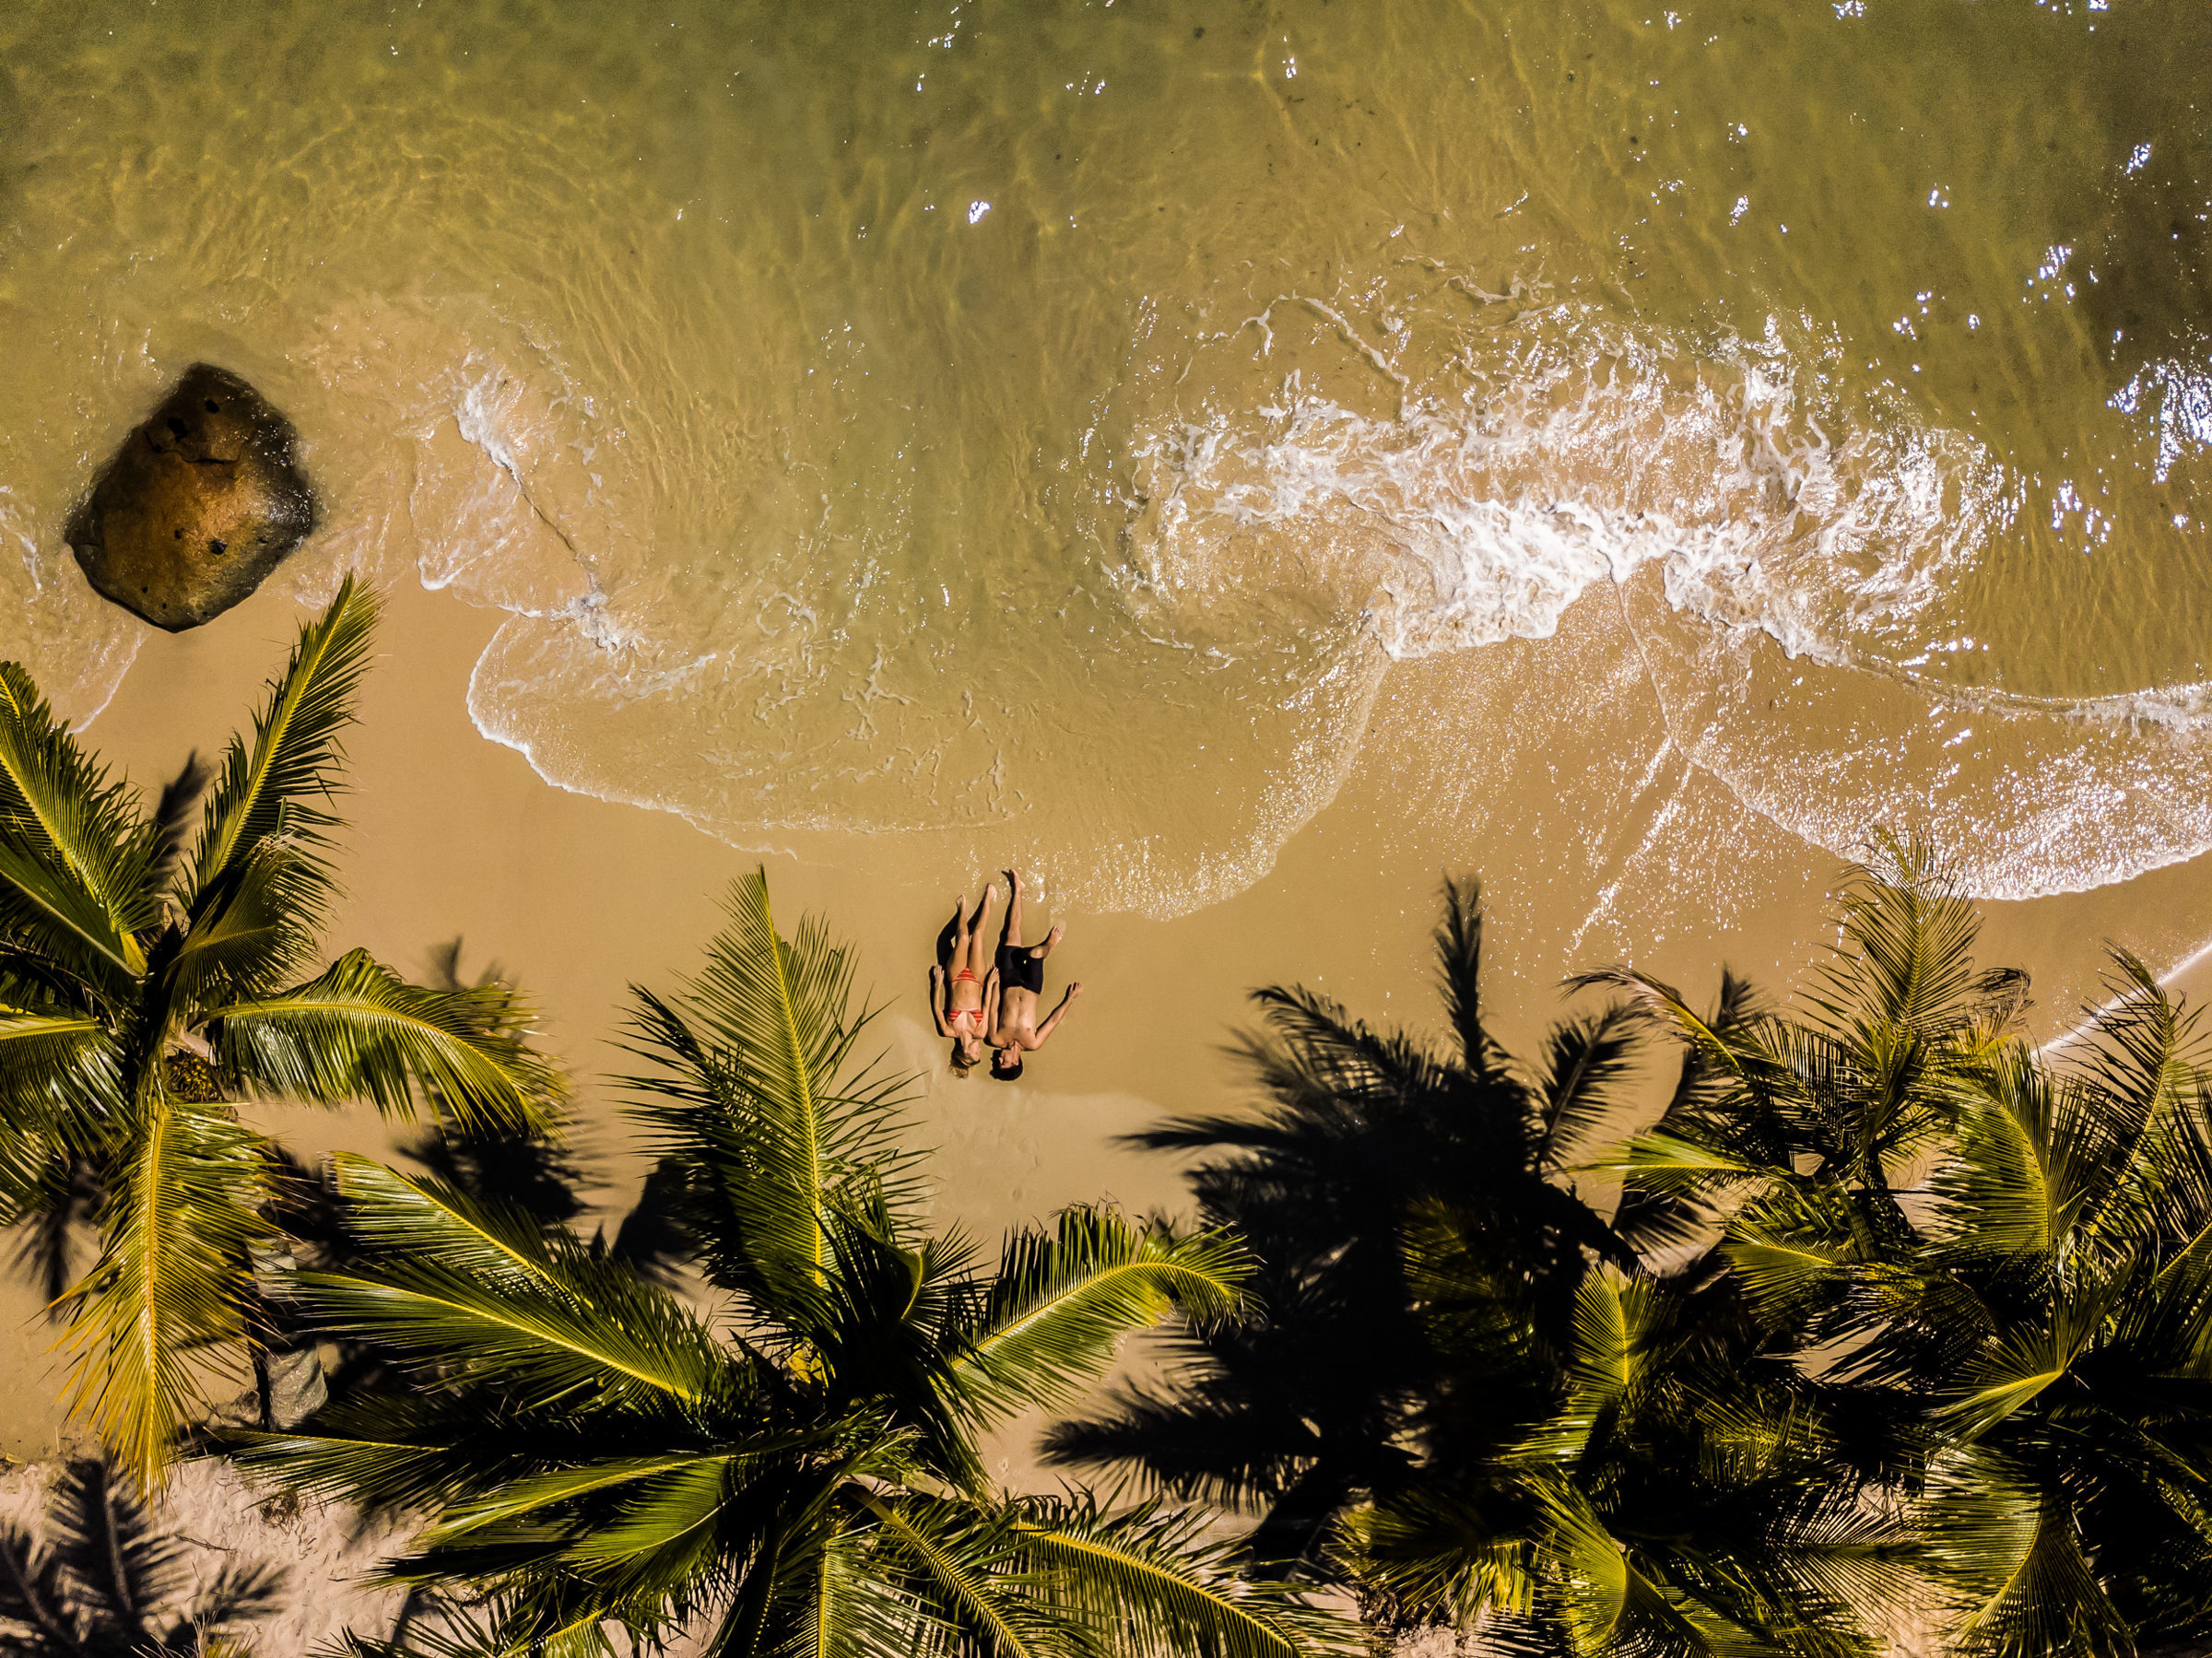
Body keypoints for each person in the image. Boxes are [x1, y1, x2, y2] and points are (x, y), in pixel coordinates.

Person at [988, 868, 1081, 1081]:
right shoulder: (1033, 1043)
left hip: (1008, 982)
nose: (998, 1060)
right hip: (1032, 985)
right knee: (1037, 953)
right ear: (1016, 1062)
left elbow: (993, 1009)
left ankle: (1018, 890)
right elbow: (1052, 1021)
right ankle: (1049, 945)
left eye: (998, 1063)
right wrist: (1069, 999)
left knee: (1011, 932)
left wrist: (994, 984)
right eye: (1004, 1064)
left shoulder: (995, 1038)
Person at [929, 886, 997, 1076]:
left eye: (976, 1053)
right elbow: (986, 1004)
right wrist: (990, 984)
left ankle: (963, 909)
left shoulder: (948, 1030)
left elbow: (936, 1008)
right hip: (977, 979)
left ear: (966, 1051)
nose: (980, 1049)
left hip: (955, 978)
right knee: (977, 937)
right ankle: (988, 899)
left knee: (963, 939)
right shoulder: (981, 1033)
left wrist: (937, 984)